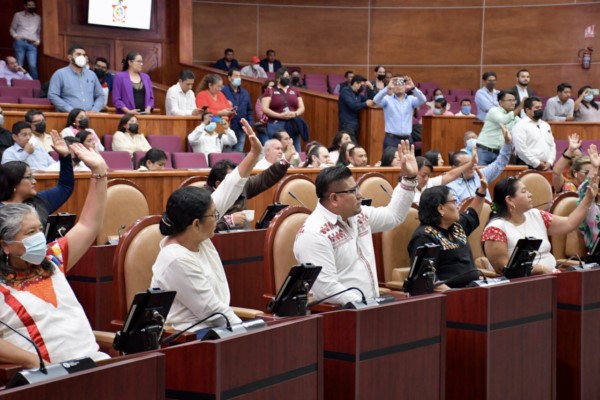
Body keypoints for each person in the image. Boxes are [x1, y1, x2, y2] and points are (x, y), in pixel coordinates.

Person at [0, 144, 110, 367]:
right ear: (6, 246)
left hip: (96, 366)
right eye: (30, 233)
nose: (40, 237)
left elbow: (89, 224)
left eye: (40, 229)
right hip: (48, 379)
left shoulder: (53, 259)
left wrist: (99, 172)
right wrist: (35, 362)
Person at [150, 119, 261, 332]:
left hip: (216, 327)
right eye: (214, 215)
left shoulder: (197, 232)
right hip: (191, 337)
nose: (218, 218)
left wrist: (254, 154)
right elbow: (213, 311)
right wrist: (247, 332)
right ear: (196, 224)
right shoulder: (176, 258)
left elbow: (229, 187)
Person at [293, 141, 418, 304]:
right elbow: (327, 290)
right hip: (341, 316)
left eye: (357, 188)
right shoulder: (313, 234)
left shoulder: (358, 215)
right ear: (334, 198)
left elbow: (393, 216)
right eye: (353, 191)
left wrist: (409, 179)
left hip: (368, 307)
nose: (360, 195)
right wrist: (366, 305)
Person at [482, 175, 598, 274]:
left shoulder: (536, 215)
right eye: (524, 191)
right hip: (524, 288)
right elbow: (504, 268)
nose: (530, 194)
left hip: (552, 276)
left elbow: (569, 223)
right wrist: (540, 270)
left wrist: (588, 199)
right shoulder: (495, 229)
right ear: (509, 200)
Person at [408, 168, 488, 289]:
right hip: (450, 296)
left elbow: (473, 214)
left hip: (471, 290)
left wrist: (482, 191)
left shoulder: (456, 227)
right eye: (453, 201)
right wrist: (456, 297)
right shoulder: (424, 236)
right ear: (441, 209)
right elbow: (428, 279)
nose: (457, 206)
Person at [0, 131, 74, 224]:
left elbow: (65, 186)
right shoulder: (2, 212)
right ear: (13, 182)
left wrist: (65, 156)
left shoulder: (39, 201)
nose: (34, 181)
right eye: (28, 177)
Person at [205, 157, 291, 231]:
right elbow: (201, 226)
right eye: (233, 181)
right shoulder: (203, 197)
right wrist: (228, 221)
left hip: (245, 239)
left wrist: (282, 164)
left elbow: (263, 179)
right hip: (220, 243)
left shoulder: (240, 184)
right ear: (218, 184)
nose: (238, 182)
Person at [447, 124, 512, 202]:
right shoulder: (450, 187)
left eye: (472, 163)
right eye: (466, 165)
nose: (471, 167)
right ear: (455, 168)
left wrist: (507, 143)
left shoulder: (480, 175)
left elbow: (500, 162)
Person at [373, 75, 426, 149]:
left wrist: (413, 88)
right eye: (396, 84)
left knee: (408, 160)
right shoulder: (387, 99)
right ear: (393, 87)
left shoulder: (411, 99)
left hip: (407, 139)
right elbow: (375, 100)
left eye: (401, 84)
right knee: (390, 160)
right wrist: (387, 88)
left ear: (405, 86)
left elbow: (423, 100)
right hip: (391, 139)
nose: (398, 86)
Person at [48, 45, 104, 113]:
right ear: (70, 57)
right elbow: (52, 95)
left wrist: (95, 110)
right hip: (69, 116)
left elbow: (100, 95)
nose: (82, 57)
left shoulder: (92, 75)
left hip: (90, 116)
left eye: (84, 55)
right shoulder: (60, 74)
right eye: (78, 54)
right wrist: (71, 110)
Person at [261, 67, 307, 151]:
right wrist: (280, 115)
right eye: (285, 76)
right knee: (276, 149)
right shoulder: (270, 91)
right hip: (276, 124)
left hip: (292, 123)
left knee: (295, 149)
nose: (287, 78)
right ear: (278, 78)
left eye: (288, 76)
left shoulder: (295, 90)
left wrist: (295, 113)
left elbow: (302, 107)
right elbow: (265, 108)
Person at [476, 90, 523, 165]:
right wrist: (520, 107)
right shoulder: (494, 111)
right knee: (481, 175)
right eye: (510, 100)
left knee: (499, 176)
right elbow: (503, 121)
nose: (513, 103)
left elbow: (523, 125)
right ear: (501, 102)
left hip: (500, 153)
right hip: (484, 150)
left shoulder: (514, 117)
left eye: (514, 100)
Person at [512, 97, 556, 170]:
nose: (540, 110)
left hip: (546, 166)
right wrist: (536, 163)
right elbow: (521, 149)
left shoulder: (545, 125)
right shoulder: (520, 126)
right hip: (527, 166)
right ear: (528, 110)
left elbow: (552, 145)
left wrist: (550, 161)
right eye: (537, 107)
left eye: (541, 107)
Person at [221, 68, 253, 152]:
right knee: (227, 152)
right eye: (236, 76)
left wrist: (249, 124)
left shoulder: (245, 93)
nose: (238, 78)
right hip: (228, 126)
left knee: (238, 152)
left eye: (239, 76)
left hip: (241, 128)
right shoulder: (223, 91)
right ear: (229, 78)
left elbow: (249, 110)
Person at [9, 0, 40, 79]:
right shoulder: (18, 15)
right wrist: (15, 36)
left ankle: (35, 85)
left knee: (32, 65)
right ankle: (19, 84)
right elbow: (12, 29)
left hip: (32, 45)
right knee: (19, 65)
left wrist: (38, 40)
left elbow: (38, 31)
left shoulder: (38, 17)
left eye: (33, 5)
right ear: (25, 6)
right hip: (20, 43)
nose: (32, 7)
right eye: (29, 5)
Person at [338, 74, 374, 139]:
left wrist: (371, 88)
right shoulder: (345, 91)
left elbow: (371, 100)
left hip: (355, 125)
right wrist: (365, 104)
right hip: (347, 124)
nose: (362, 88)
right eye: (362, 85)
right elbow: (353, 105)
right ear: (355, 83)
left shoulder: (358, 95)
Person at [254, 79, 276, 144]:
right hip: (264, 128)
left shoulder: (278, 99)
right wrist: (274, 116)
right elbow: (260, 114)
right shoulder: (260, 99)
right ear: (265, 89)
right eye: (271, 86)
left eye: (274, 87)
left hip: (276, 128)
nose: (273, 88)